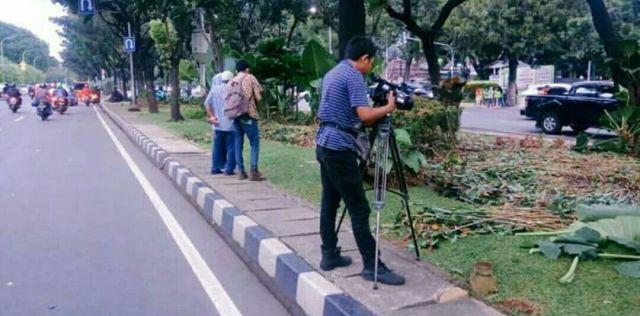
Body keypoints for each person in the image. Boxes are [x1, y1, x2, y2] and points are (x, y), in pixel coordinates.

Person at [315, 36, 405, 285]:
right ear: (364, 58)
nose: (371, 66)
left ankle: (329, 255)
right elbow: (365, 116)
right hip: (340, 149)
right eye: (371, 61)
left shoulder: (333, 72)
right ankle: (372, 266)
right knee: (359, 208)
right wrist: (388, 108)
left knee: (329, 203)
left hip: (324, 144)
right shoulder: (354, 76)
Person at [229, 60, 264, 181]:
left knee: (238, 143)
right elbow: (259, 98)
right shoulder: (250, 78)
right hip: (248, 114)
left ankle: (241, 172)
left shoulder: (232, 81)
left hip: (235, 115)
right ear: (247, 69)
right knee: (254, 143)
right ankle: (254, 172)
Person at [205, 71, 236, 175]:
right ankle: (229, 169)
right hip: (230, 124)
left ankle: (215, 168)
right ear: (231, 80)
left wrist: (212, 116)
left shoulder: (215, 89)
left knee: (217, 147)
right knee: (231, 147)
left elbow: (207, 103)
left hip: (217, 125)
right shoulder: (232, 90)